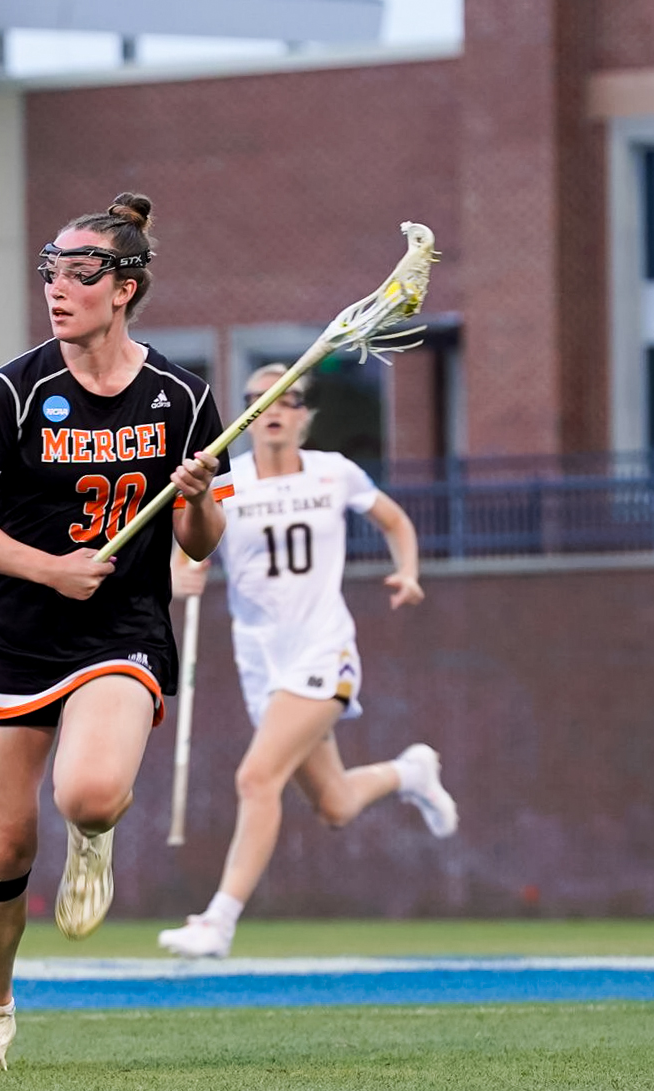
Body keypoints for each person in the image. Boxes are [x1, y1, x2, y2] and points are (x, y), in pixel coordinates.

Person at [0, 193, 229, 1072]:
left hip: (121, 626)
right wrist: (50, 567)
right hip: (13, 629)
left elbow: (199, 544)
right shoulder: (17, 389)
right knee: (3, 844)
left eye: (81, 273)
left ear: (125, 286)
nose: (60, 289)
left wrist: (199, 494)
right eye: (51, 272)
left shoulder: (182, 396)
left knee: (89, 793)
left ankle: (93, 838)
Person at [157, 363, 458, 961]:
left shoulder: (333, 473)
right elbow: (190, 544)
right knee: (335, 805)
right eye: (256, 400)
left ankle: (219, 921)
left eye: (285, 398)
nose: (271, 409)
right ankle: (410, 773)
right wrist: (182, 571)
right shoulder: (227, 482)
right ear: (244, 416)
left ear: (303, 414)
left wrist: (408, 569)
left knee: (255, 777)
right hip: (261, 660)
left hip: (324, 649)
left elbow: (394, 520)